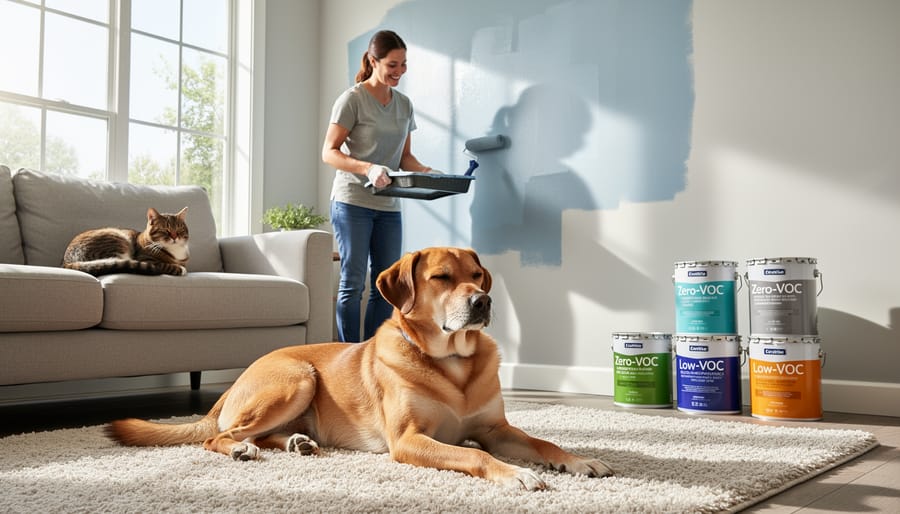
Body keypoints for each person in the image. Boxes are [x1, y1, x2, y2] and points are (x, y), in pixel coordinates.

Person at [322, 30, 433, 342]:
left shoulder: (404, 105)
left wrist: (428, 172)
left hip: (388, 205)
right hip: (352, 201)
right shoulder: (352, 100)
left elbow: (405, 157)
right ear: (373, 61)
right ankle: (348, 354)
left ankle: (374, 353)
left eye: (404, 64)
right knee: (353, 282)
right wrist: (367, 167)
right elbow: (328, 152)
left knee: (388, 283)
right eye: (392, 65)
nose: (399, 71)